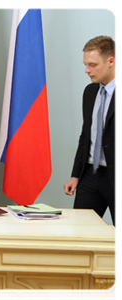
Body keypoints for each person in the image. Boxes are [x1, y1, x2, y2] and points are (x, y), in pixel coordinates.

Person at [64, 36, 119, 229]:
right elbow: (86, 136)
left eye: (93, 65)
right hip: (90, 175)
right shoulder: (90, 92)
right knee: (80, 232)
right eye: (85, 64)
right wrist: (76, 175)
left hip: (117, 176)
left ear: (111, 61)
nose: (87, 70)